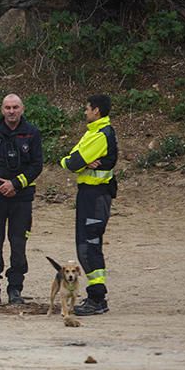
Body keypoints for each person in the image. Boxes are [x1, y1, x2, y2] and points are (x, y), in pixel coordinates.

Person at [0, 94, 44, 307]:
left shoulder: (32, 134)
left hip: (21, 200)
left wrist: (15, 184)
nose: (11, 111)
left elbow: (37, 165)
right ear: (2, 109)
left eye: (15, 107)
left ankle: (15, 289)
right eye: (7, 107)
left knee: (18, 246)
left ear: (22, 109)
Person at [60, 94, 118, 316]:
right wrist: (75, 161)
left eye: (87, 109)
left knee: (89, 246)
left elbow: (73, 162)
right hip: (88, 194)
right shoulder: (92, 132)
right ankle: (95, 296)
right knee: (85, 245)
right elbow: (69, 160)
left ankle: (97, 298)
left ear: (97, 111)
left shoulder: (101, 135)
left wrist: (76, 162)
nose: (84, 112)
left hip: (96, 196)